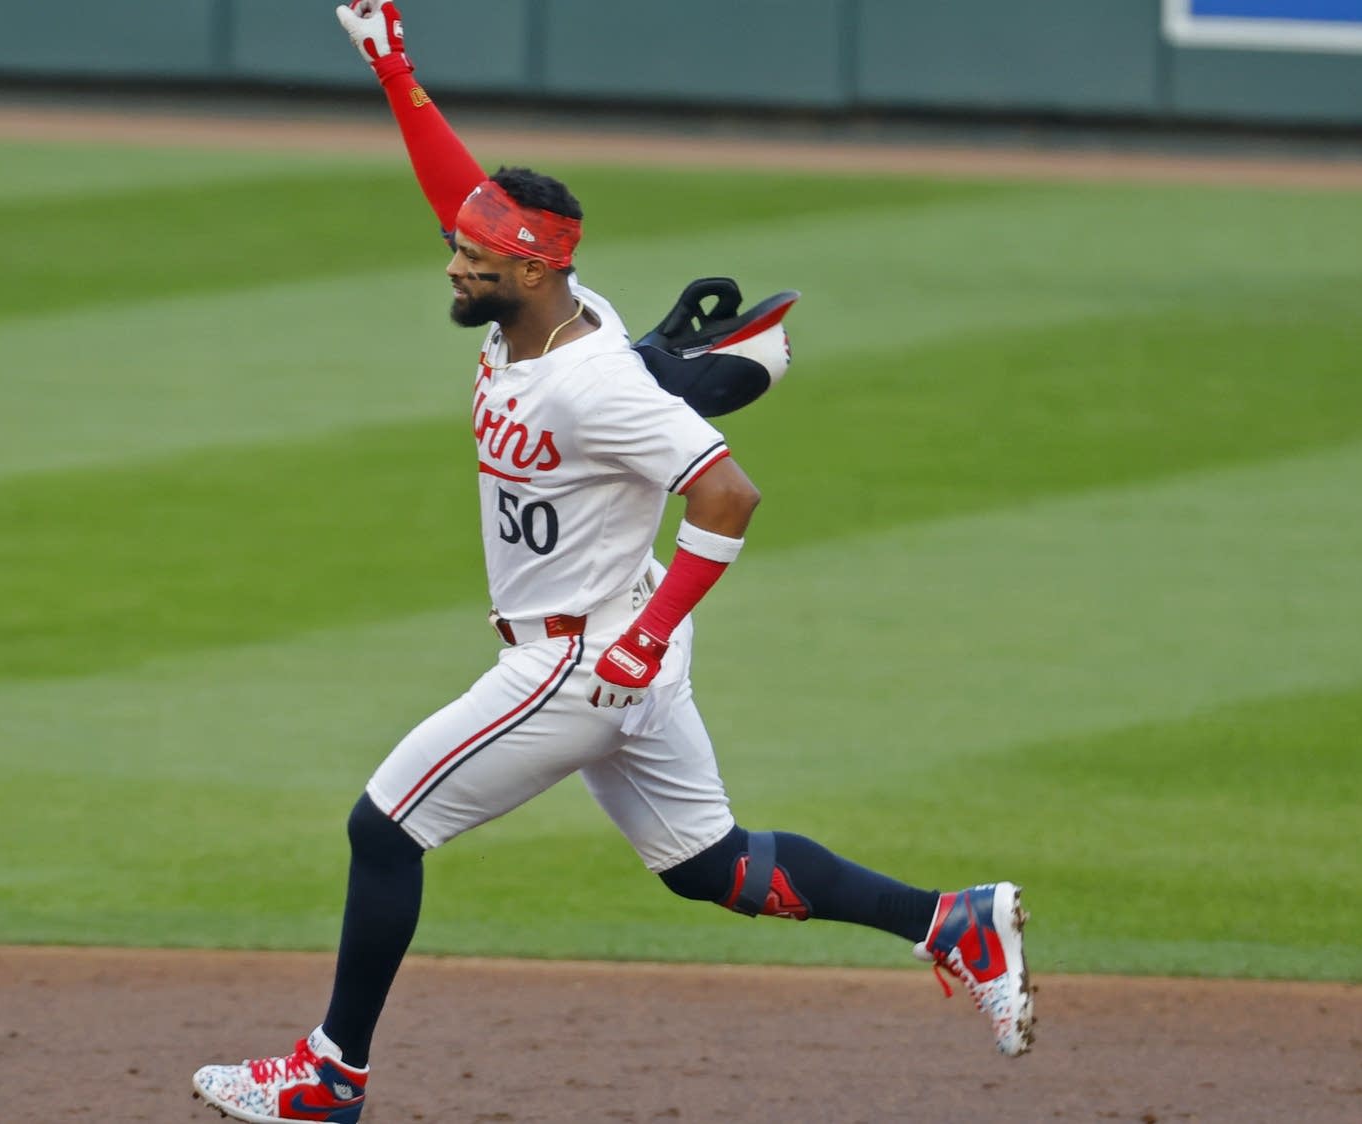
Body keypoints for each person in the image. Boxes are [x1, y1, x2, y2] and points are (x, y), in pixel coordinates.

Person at [191, 4, 1034, 1120]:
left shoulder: (595, 381)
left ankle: (326, 1075)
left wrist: (637, 641)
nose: (453, 261)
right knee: (713, 866)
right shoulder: (541, 313)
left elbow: (728, 493)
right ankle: (952, 920)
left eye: (475, 257)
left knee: (383, 825)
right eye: (459, 244)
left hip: (585, 660)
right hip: (621, 639)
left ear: (530, 272)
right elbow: (456, 189)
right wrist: (392, 65)